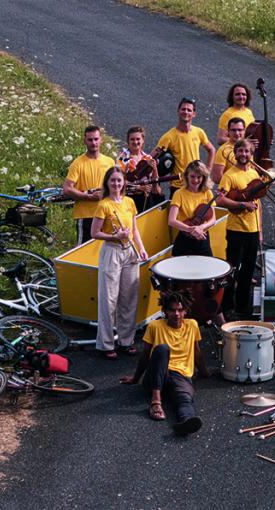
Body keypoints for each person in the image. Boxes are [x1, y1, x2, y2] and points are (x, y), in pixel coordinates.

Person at [119, 289, 208, 436]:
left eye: (180, 310)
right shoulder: (155, 326)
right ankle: (156, 403)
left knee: (185, 399)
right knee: (162, 349)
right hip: (156, 376)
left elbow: (197, 352)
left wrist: (205, 373)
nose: (176, 314)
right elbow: (146, 356)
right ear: (165, 311)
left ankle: (186, 422)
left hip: (180, 375)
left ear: (186, 311)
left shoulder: (192, 325)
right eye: (172, 310)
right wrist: (135, 379)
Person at [91, 167, 148, 360]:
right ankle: (106, 344)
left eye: (119, 180)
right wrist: (114, 235)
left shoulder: (130, 202)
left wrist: (141, 247)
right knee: (109, 299)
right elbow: (95, 233)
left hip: (129, 252)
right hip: (112, 251)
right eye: (113, 181)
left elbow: (135, 229)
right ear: (107, 183)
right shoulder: (103, 205)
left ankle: (126, 340)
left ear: (124, 182)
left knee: (129, 297)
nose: (116, 184)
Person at [215, 138, 261, 316]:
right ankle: (227, 307)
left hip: (253, 229)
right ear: (235, 153)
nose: (244, 155)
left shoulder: (254, 174)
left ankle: (243, 308)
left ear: (251, 154)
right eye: (240, 151)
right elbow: (220, 199)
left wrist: (260, 229)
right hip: (236, 229)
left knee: (248, 271)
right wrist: (242, 205)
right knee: (233, 269)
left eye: (247, 152)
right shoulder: (229, 175)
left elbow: (257, 204)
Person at [151, 98, 214, 197]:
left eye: (189, 110)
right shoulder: (168, 137)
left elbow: (211, 150)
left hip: (196, 183)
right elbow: (152, 157)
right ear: (178, 111)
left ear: (194, 114)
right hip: (178, 186)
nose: (186, 112)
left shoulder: (199, 132)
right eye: (183, 109)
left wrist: (207, 171)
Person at [63, 125, 115, 244]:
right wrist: (88, 197)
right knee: (83, 253)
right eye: (90, 139)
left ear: (101, 139)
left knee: (105, 251)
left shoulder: (109, 162)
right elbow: (67, 188)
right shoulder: (78, 163)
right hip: (86, 215)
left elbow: (117, 186)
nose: (93, 143)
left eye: (96, 139)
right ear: (85, 140)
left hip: (107, 214)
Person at [168, 160, 217, 257]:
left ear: (204, 178)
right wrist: (191, 229)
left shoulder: (207, 193)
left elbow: (213, 219)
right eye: (192, 176)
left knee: (207, 270)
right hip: (184, 240)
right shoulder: (179, 194)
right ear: (186, 176)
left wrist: (200, 228)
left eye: (199, 177)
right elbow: (171, 221)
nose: (195, 180)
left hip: (202, 237)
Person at [116, 126, 162, 213]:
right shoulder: (122, 159)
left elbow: (155, 184)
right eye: (132, 139)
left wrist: (155, 169)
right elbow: (118, 184)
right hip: (129, 199)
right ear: (128, 141)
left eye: (138, 139)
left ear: (143, 140)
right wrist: (139, 188)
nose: (135, 142)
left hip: (146, 199)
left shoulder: (148, 157)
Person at [211, 117, 245, 183]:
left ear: (244, 131)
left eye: (240, 130)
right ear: (228, 132)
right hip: (234, 191)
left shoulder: (249, 148)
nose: (237, 133)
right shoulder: (223, 150)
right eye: (233, 130)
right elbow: (216, 178)